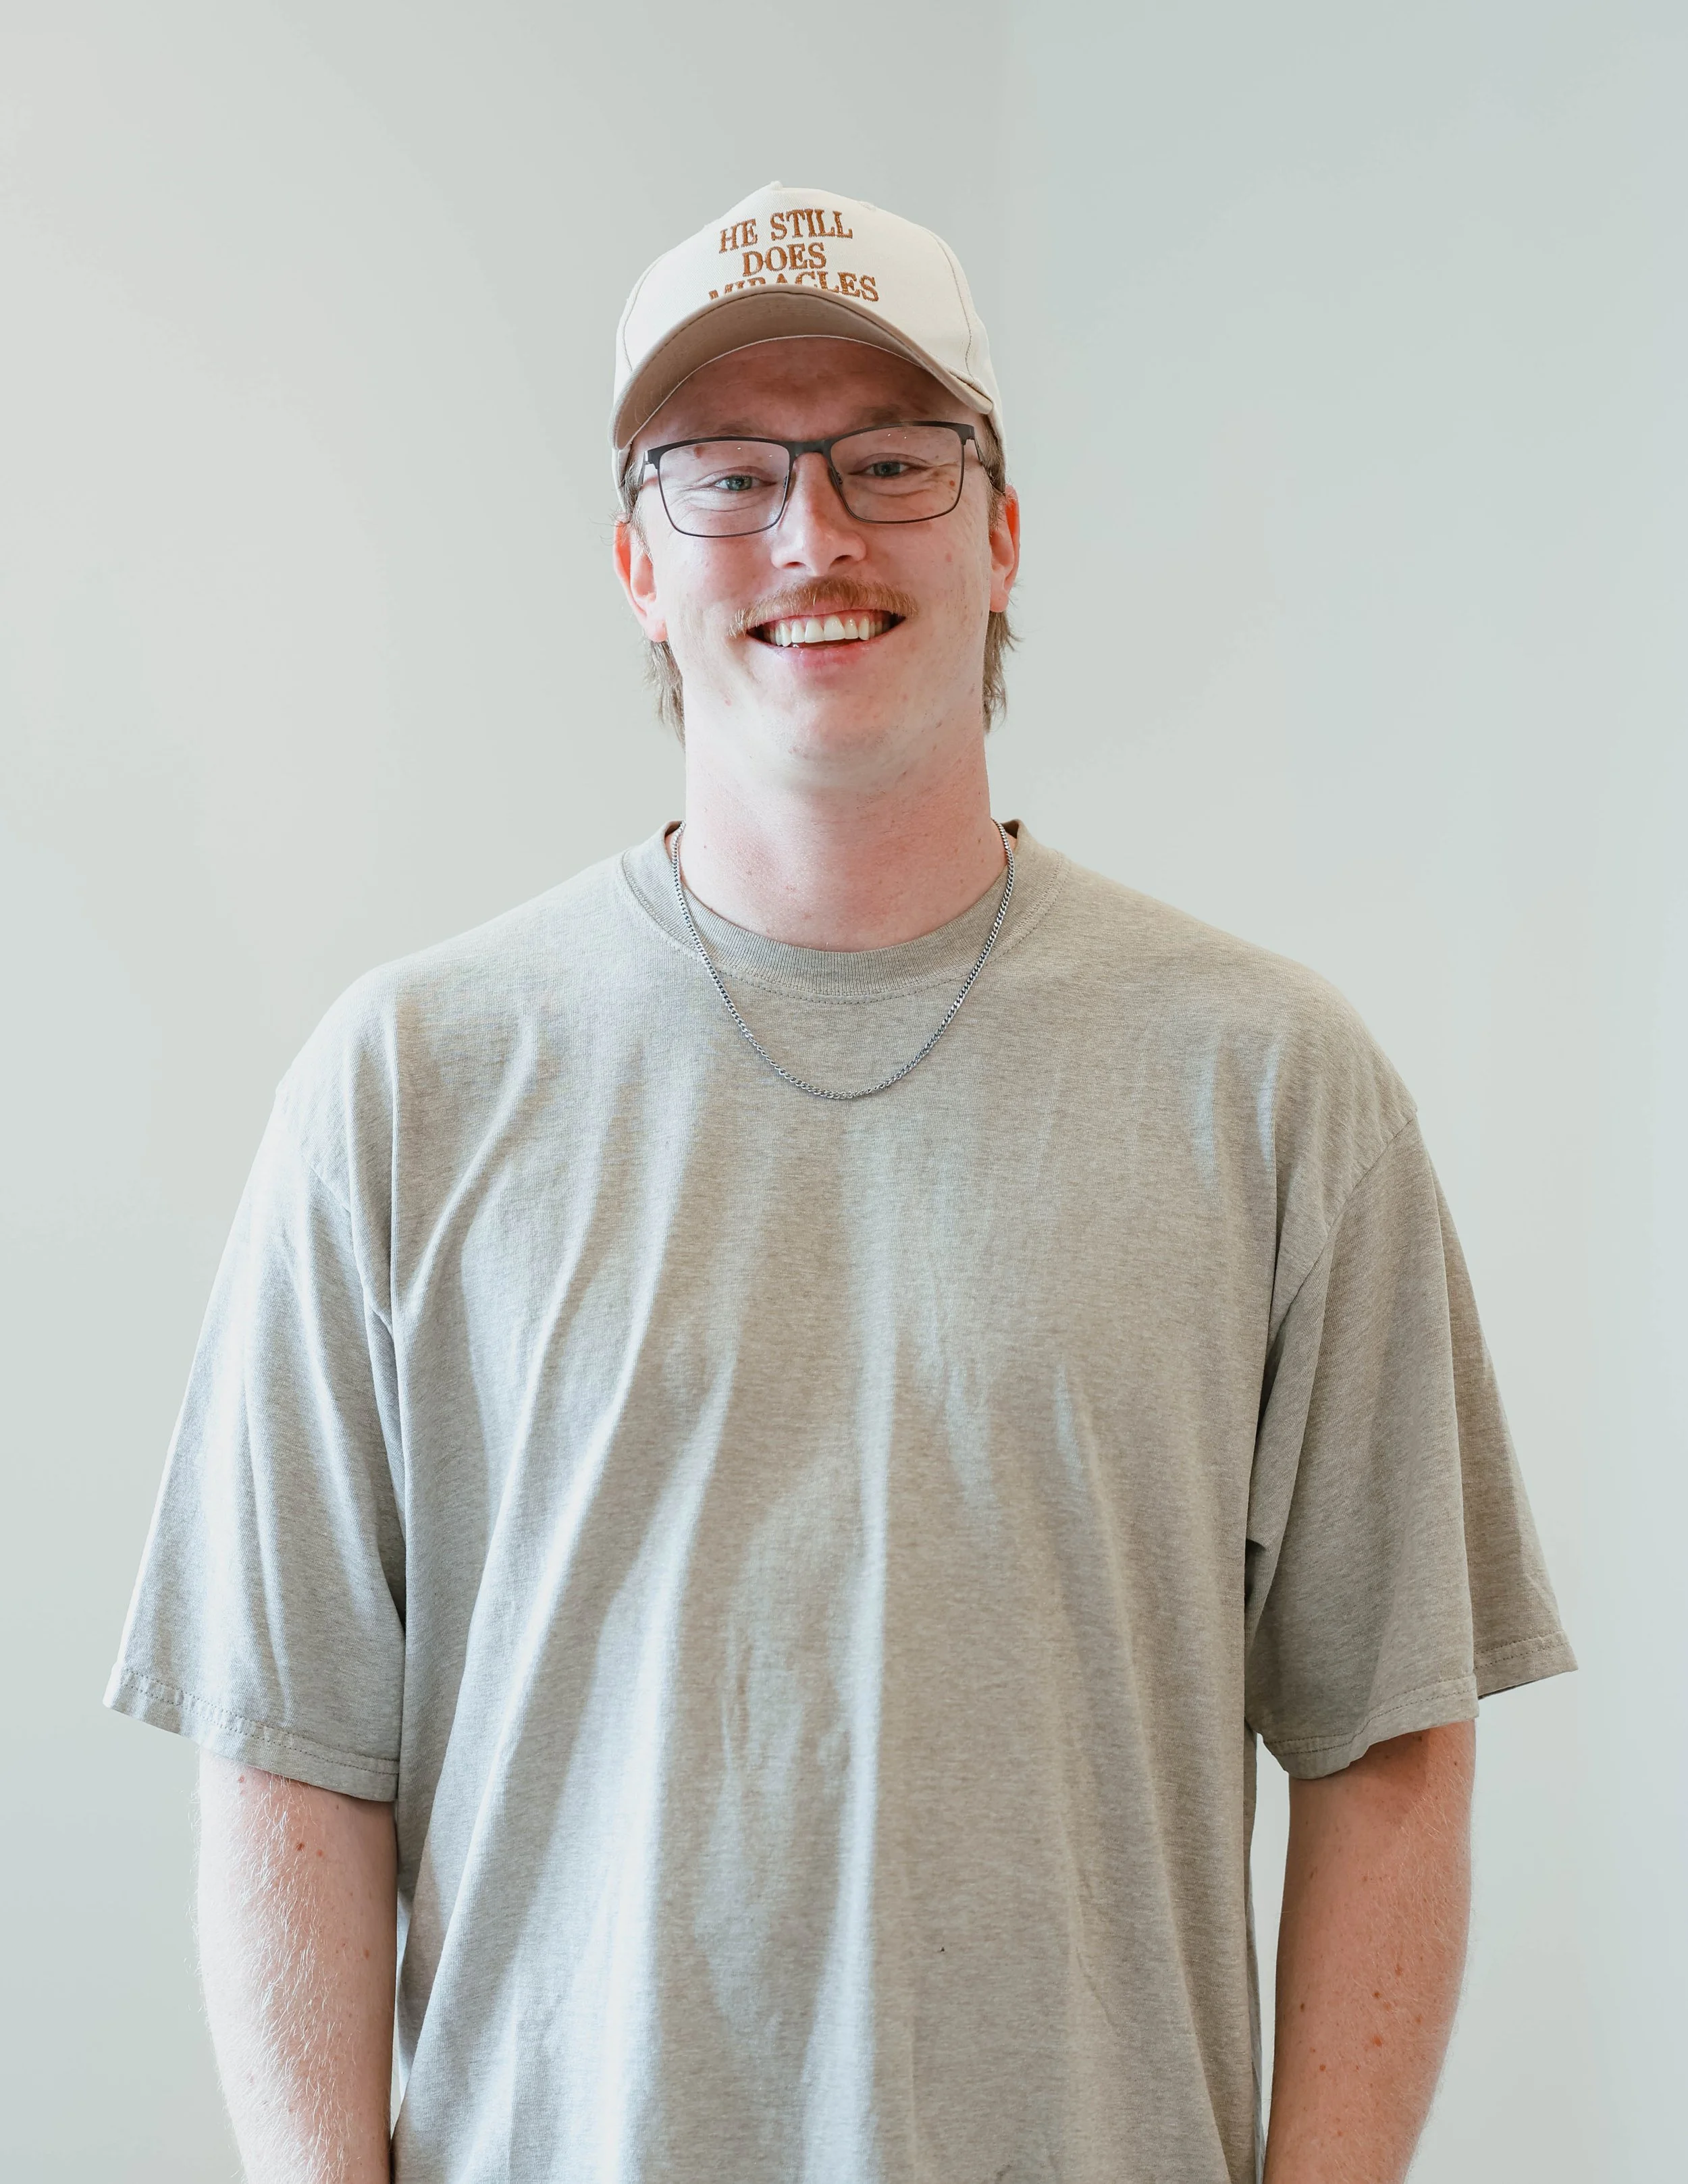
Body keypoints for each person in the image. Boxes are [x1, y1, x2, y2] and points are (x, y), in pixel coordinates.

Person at [107, 182, 1575, 2184]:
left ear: (1002, 532)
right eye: (728, 476)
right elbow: (287, 1758)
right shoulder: (403, 1086)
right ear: (637, 563)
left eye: (892, 460)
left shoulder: (1270, 1084)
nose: (814, 537)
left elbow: (1388, 1738)